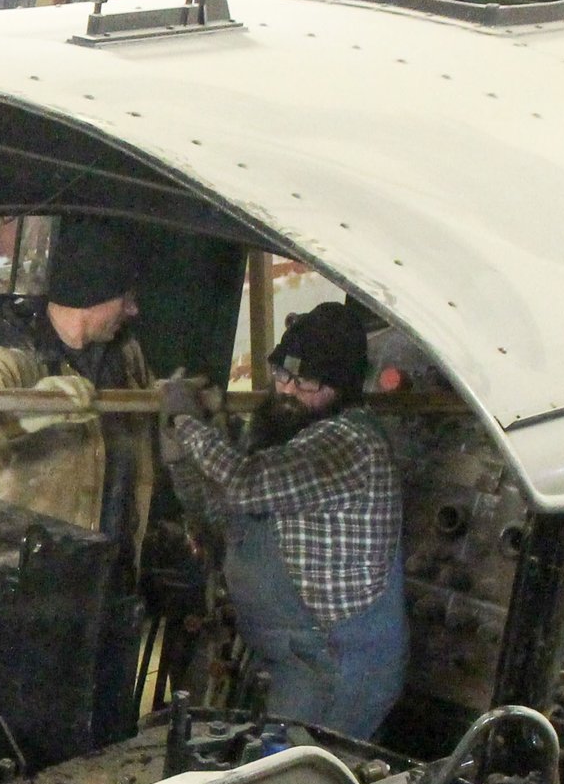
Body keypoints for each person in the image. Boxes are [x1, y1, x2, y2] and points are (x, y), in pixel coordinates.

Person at [159, 301, 407, 739]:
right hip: (291, 655)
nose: (289, 391)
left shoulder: (347, 443)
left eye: (306, 381)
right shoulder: (287, 435)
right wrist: (183, 462)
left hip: (337, 664)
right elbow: (223, 516)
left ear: (342, 387)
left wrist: (187, 422)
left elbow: (244, 485)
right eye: (281, 375)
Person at [0, 217, 153, 557]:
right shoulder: (12, 363)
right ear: (93, 292)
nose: (133, 309)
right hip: (30, 574)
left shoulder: (127, 360)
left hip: (111, 571)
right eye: (125, 296)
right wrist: (26, 413)